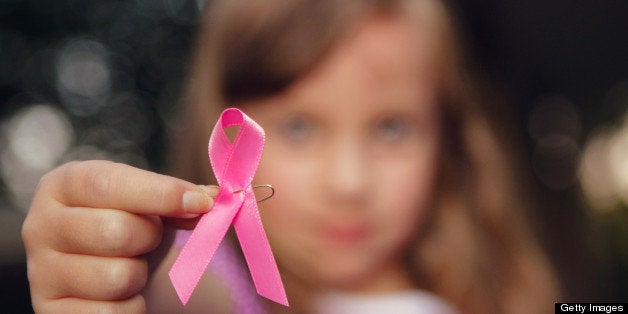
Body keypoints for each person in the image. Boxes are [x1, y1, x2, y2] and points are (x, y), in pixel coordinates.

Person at [22, 0, 562, 313]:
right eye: (300, 128)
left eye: (392, 128)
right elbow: (173, 290)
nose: (349, 183)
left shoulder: (501, 294)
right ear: (226, 137)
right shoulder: (216, 282)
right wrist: (103, 262)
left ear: (448, 139)